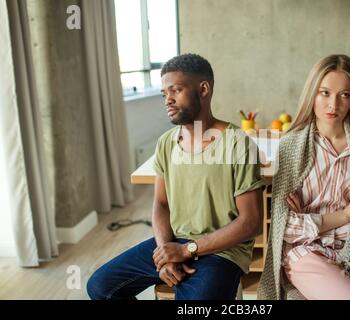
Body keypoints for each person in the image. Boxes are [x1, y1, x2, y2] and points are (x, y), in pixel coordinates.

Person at [87, 53, 265, 300]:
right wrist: (165, 254)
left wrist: (187, 250)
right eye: (164, 94)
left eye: (176, 90)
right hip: (174, 243)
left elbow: (251, 222)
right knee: (99, 286)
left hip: (221, 252)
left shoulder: (237, 144)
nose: (167, 100)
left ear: (203, 89)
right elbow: (161, 204)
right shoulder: (166, 144)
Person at [257, 54, 350, 300]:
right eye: (324, 93)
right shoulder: (291, 146)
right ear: (312, 93)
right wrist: (347, 214)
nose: (334, 105)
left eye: (345, 95)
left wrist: (310, 219)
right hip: (305, 254)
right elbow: (286, 228)